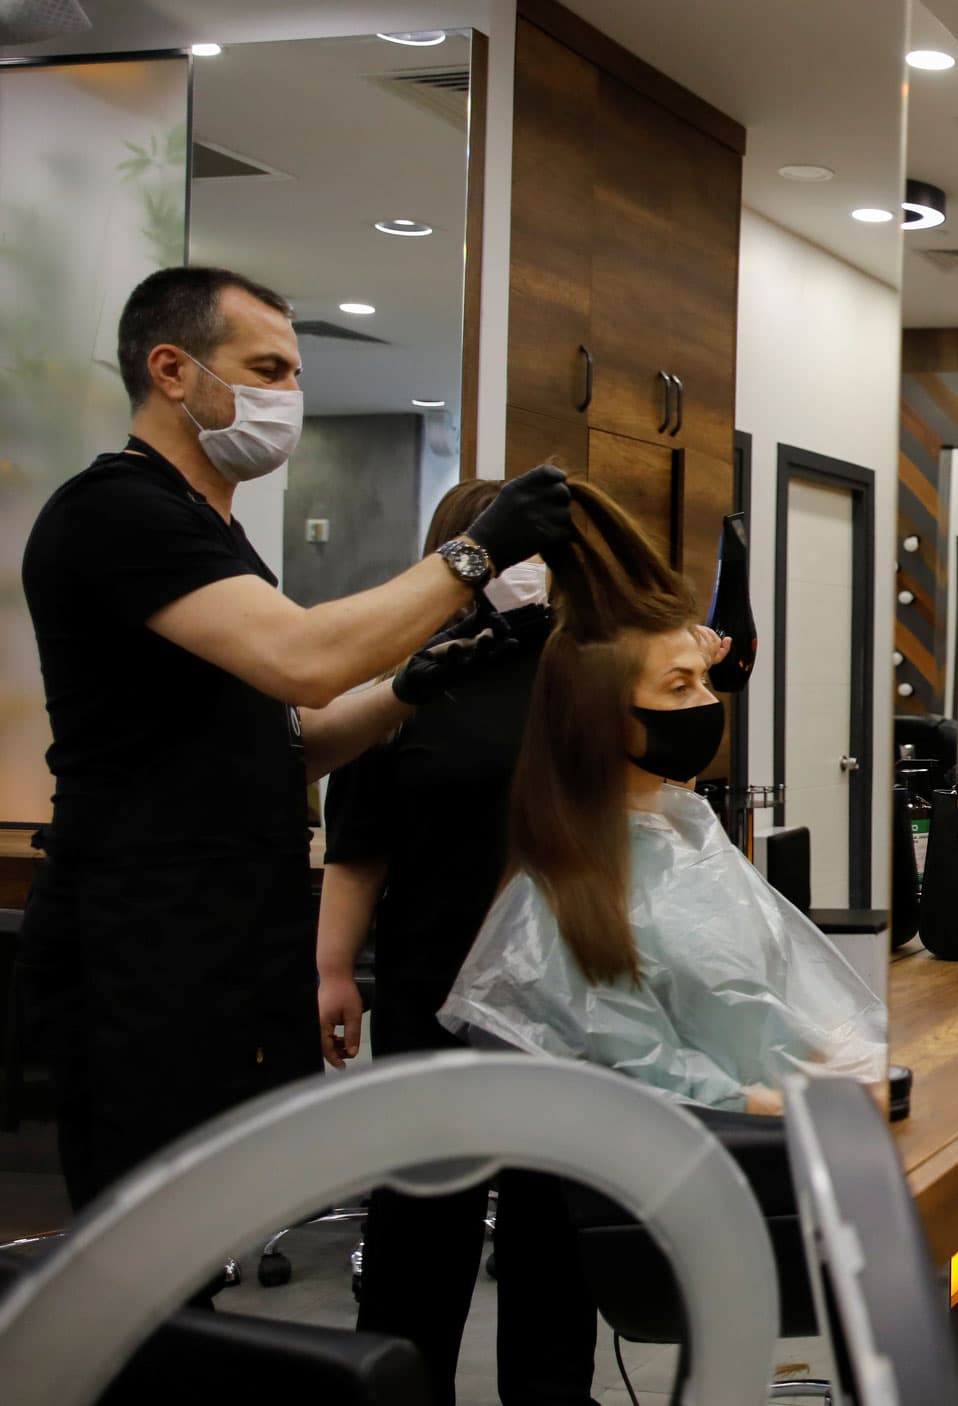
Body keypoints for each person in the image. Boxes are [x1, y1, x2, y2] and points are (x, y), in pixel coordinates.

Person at [17, 266, 573, 1213]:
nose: (289, 398)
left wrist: (417, 685)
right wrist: (474, 553)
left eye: (295, 375)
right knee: (149, 1238)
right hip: (142, 931)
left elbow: (297, 739)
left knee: (219, 1222)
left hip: (234, 924)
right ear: (172, 370)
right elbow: (306, 662)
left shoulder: (216, 536)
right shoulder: (118, 513)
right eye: (266, 368)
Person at [439, 483, 886, 1109]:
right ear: (601, 716)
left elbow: (750, 1011)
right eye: (680, 688)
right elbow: (652, 1078)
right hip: (713, 1155)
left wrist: (847, 1068)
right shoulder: (563, 898)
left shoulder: (684, 834)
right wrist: (796, 1103)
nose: (707, 705)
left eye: (704, 681)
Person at [315, 481, 597, 1406]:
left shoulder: (582, 678)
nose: (529, 570)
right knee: (419, 1232)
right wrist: (329, 970)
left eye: (542, 553)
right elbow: (358, 850)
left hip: (565, 999)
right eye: (510, 549)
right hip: (432, 989)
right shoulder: (409, 681)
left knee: (553, 1233)